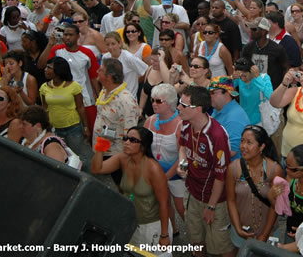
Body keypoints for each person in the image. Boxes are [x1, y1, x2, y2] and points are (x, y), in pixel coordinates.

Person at [176, 85, 233, 257]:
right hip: (193, 193)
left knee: (222, 247)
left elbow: (220, 176)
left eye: (184, 105)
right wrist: (182, 162)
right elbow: (183, 146)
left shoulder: (216, 135)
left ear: (198, 109)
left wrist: (211, 206)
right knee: (196, 241)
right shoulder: (186, 125)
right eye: (180, 103)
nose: (178, 107)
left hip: (214, 199)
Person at [91, 126, 172, 248]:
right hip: (131, 224)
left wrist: (164, 235)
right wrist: (101, 143)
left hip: (152, 226)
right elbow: (97, 169)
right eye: (126, 138)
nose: (127, 142)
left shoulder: (153, 168)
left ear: (143, 146)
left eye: (133, 140)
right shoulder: (122, 159)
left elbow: (164, 204)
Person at [225, 125, 282, 249]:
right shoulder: (233, 169)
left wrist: (264, 235)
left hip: (268, 233)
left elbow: (275, 206)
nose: (243, 146)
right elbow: (231, 200)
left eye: (249, 142)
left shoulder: (274, 170)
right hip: (241, 232)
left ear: (261, 147)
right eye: (242, 141)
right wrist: (238, 229)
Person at [42, 24, 101, 134]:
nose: (67, 37)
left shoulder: (87, 53)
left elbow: (94, 77)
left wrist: (99, 98)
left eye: (71, 35)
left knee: (89, 133)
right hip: (63, 100)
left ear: (78, 36)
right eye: (65, 34)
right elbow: (41, 65)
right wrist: (49, 45)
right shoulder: (56, 50)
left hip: (86, 100)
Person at [142, 83, 185, 234]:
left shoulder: (180, 125)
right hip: (157, 174)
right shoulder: (150, 121)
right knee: (164, 204)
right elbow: (144, 149)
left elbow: (182, 157)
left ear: (171, 103)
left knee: (181, 208)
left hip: (176, 176)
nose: (154, 104)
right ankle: (173, 230)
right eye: (153, 100)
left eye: (158, 101)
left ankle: (197, 238)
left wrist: (165, 177)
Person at [93, 58, 141, 183]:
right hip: (101, 149)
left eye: (101, 70)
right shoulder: (104, 92)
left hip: (115, 154)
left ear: (109, 76)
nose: (97, 71)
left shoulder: (126, 101)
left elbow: (131, 134)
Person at [39, 56, 91, 161]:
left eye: (49, 67)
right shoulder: (44, 88)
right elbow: (45, 108)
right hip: (55, 129)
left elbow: (80, 107)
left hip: (73, 128)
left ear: (58, 71)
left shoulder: (74, 86)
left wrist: (85, 127)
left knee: (80, 156)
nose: (46, 69)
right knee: (62, 158)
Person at [240, 17, 290, 89]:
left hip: (271, 90)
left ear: (263, 32)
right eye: (250, 28)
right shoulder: (248, 47)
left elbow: (286, 67)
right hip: (253, 88)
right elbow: (242, 66)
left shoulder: (277, 49)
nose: (251, 31)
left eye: (254, 29)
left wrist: (282, 86)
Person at [209, 76, 250, 161]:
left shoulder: (234, 118)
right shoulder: (218, 109)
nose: (209, 96)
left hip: (230, 169)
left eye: (213, 92)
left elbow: (231, 151)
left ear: (227, 93)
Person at [102, 32, 148, 98]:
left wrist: (136, 82)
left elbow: (146, 70)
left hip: (128, 97)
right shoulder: (105, 58)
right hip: (111, 98)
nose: (110, 47)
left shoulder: (129, 57)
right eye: (107, 44)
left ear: (120, 43)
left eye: (113, 44)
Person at [232, 57, 273, 127]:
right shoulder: (239, 79)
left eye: (245, 75)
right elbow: (225, 89)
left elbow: (270, 96)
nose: (242, 78)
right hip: (244, 118)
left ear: (251, 71)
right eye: (240, 76)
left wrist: (258, 78)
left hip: (260, 120)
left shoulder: (264, 78)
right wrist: (232, 78)